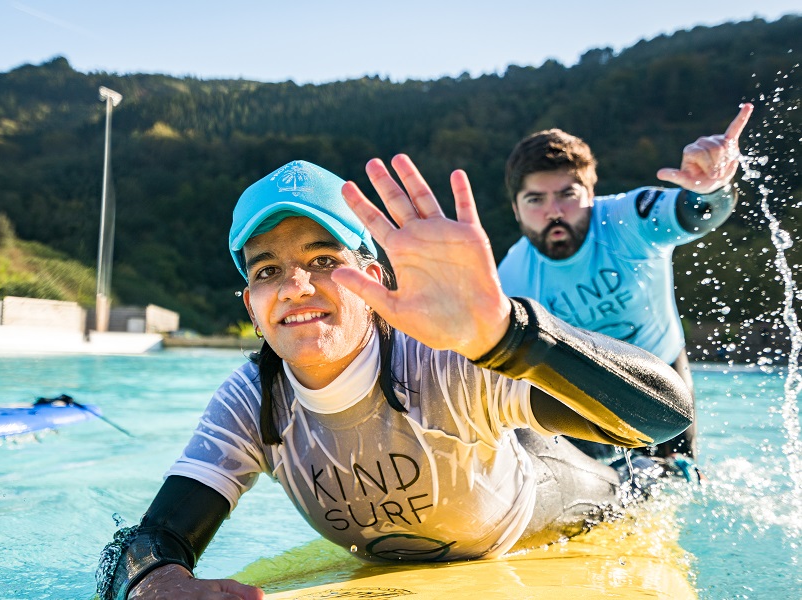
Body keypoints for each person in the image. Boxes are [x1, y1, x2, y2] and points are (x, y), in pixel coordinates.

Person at [96, 157, 693, 600]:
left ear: (375, 278)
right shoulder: (254, 399)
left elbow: (665, 415)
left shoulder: (442, 360)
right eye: (267, 270)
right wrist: (155, 582)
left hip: (549, 501)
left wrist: (506, 335)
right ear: (250, 302)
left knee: (640, 482)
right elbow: (149, 540)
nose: (296, 287)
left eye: (325, 260)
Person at [497, 104, 754, 463]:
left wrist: (711, 191)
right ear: (516, 209)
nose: (553, 211)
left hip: (661, 374)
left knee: (676, 478)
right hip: (579, 388)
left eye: (567, 195)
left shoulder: (627, 219)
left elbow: (691, 213)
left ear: (591, 193)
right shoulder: (510, 276)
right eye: (535, 199)